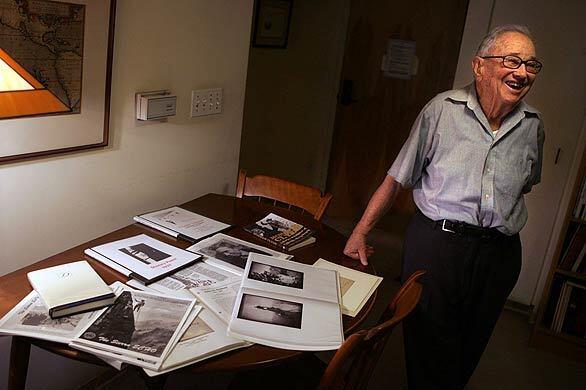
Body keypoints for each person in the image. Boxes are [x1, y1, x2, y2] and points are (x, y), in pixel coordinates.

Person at [343, 25, 544, 389]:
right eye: (512, 61)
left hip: (499, 255)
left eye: (531, 65)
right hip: (437, 245)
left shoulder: (533, 126)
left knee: (470, 345)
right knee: (426, 343)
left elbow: (525, 185)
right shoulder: (441, 111)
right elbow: (396, 179)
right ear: (479, 66)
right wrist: (360, 230)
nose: (522, 73)